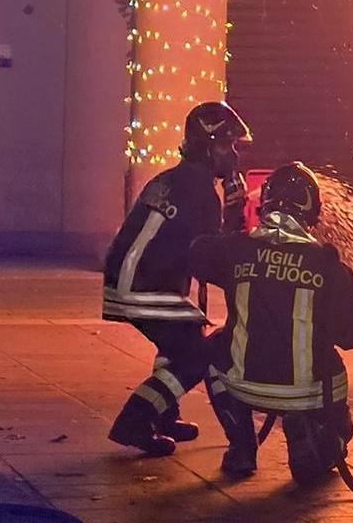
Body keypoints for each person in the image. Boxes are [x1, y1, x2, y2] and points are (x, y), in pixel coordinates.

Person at [190, 162, 353, 483]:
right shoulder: (329, 265)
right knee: (343, 433)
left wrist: (232, 218)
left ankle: (242, 446)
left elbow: (198, 253)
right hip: (310, 390)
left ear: (265, 204)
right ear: (313, 211)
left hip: (243, 382)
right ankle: (314, 436)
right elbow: (352, 337)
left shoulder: (236, 249)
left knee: (213, 347)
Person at [104, 101, 252, 456]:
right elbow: (211, 257)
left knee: (181, 339)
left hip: (133, 279)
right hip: (144, 285)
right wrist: (235, 214)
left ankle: (165, 415)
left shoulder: (175, 178)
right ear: (207, 146)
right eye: (227, 145)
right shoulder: (200, 191)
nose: (233, 155)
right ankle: (136, 420)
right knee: (194, 357)